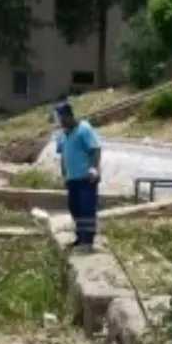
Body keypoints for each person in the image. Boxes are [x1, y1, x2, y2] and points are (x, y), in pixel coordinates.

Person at [53, 99, 102, 249]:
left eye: (60, 118)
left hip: (86, 178)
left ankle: (87, 241)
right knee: (75, 208)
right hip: (71, 179)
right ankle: (80, 238)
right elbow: (63, 154)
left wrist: (94, 168)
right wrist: (64, 174)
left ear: (68, 116)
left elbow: (95, 149)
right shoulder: (62, 135)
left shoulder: (84, 129)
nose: (59, 122)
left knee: (86, 209)